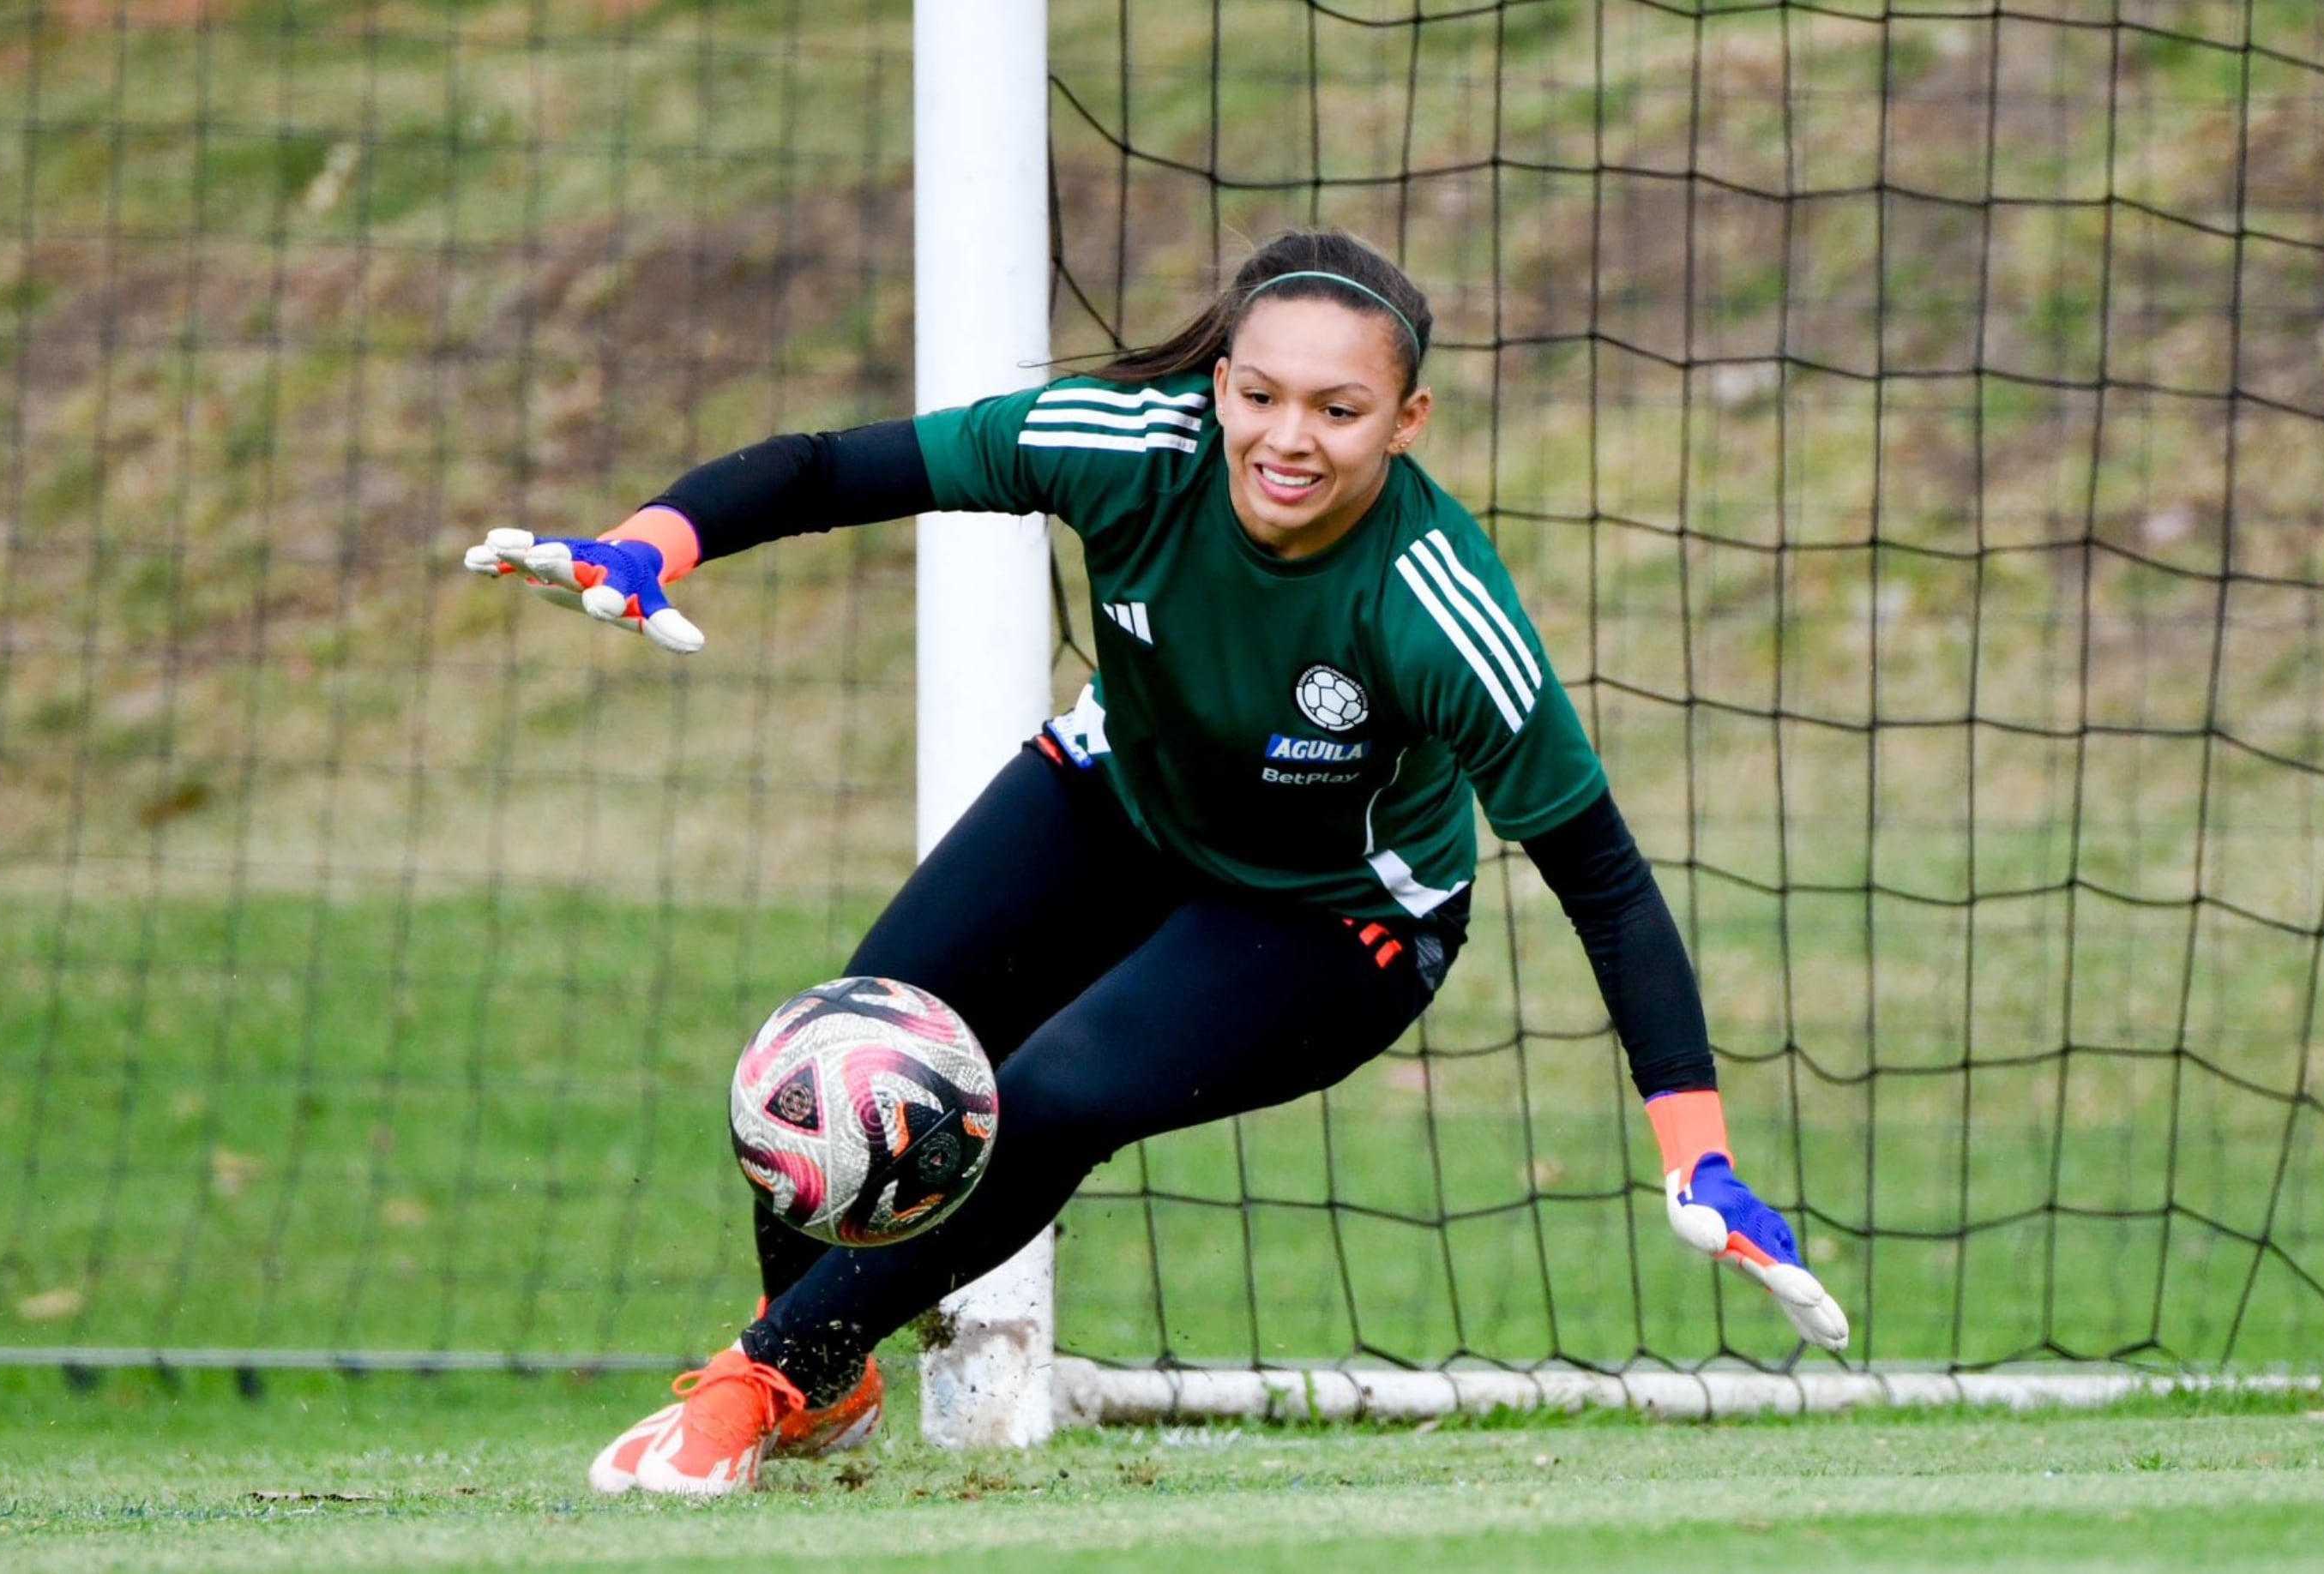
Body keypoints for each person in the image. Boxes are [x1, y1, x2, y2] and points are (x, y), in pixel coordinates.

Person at [464, 231, 1849, 1499]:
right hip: (1122, 795)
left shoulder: (1437, 606)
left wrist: (1698, 1156)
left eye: (1338, 409)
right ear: (1223, 386)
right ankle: (831, 1377)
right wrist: (653, 544)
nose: (1287, 437)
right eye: (1260, 395)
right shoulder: (1120, 444)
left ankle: (760, 1381)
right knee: (844, 1044)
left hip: (1337, 919)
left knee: (1055, 1092)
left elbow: (1603, 881)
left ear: (1407, 421)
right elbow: (837, 468)